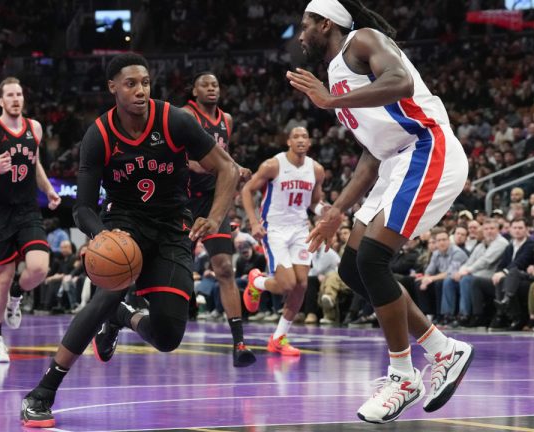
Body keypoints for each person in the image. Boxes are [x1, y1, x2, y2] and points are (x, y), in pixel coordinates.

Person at [20, 53, 238, 428]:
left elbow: (228, 168)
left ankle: (124, 316)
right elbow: (83, 207)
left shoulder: (174, 120)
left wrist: (215, 217)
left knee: (168, 337)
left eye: (145, 83)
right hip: (124, 223)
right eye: (130, 84)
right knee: (107, 290)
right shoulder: (99, 134)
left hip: (172, 227)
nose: (140, 90)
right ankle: (43, 390)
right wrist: (102, 235)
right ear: (112, 88)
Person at [287, 0, 474, 423]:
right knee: (353, 268)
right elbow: (371, 157)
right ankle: (443, 350)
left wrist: (332, 102)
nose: (299, 35)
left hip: (427, 147)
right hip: (394, 162)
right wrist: (335, 210)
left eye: (305, 25)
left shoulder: (363, 41)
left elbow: (401, 81)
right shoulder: (336, 80)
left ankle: (404, 377)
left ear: (325, 23)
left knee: (374, 259)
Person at [0, 77, 61, 363]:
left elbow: (35, 163)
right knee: (3, 277)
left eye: (19, 94)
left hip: (28, 209)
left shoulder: (35, 128)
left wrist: (48, 189)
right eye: (10, 95)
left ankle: (18, 295)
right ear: (1, 100)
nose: (16, 99)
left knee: (39, 267)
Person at [184, 71, 255, 367]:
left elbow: (223, 157)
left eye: (215, 84)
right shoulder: (185, 116)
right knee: (167, 263)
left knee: (225, 268)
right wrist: (200, 166)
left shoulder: (226, 120)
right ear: (194, 90)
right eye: (205, 84)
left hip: (215, 203)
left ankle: (239, 342)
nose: (212, 88)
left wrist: (237, 167)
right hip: (183, 202)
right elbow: (180, 158)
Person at [240, 126, 325, 356]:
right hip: (274, 229)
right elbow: (247, 190)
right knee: (286, 284)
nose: (300, 140)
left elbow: (314, 203)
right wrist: (254, 222)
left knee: (302, 286)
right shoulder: (273, 165)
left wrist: (324, 210)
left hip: (300, 229)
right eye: (296, 136)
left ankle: (278, 337)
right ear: (288, 141)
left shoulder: (316, 170)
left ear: (309, 143)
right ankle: (256, 282)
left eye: (305, 136)